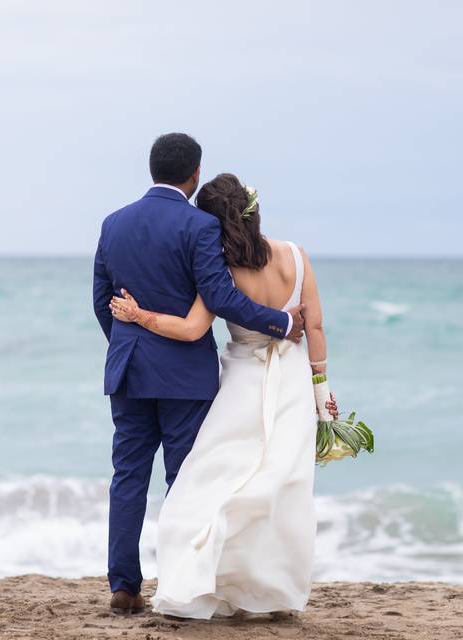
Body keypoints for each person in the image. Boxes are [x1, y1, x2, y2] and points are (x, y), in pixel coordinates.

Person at [92, 133, 306, 614]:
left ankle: (123, 587)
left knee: (127, 476)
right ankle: (178, 581)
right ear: (194, 174)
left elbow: (101, 302)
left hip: (128, 371)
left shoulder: (113, 224)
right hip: (185, 377)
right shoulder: (199, 226)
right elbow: (222, 297)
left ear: (152, 169)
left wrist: (130, 344)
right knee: (184, 479)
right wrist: (284, 322)